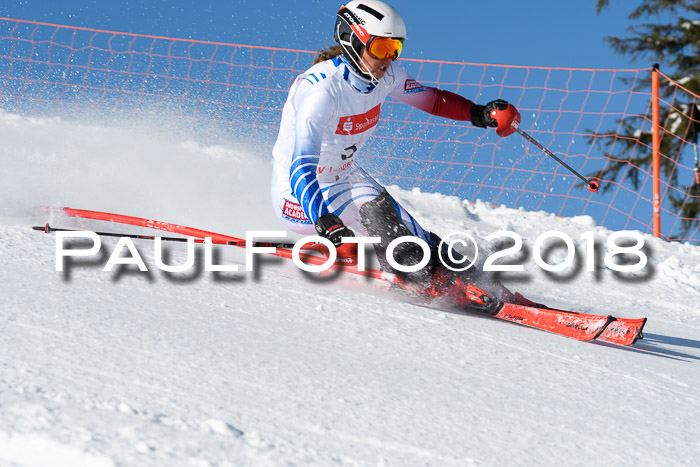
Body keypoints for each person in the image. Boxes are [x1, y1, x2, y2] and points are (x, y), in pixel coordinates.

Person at [271, 0, 523, 311]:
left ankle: (481, 282)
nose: (388, 59)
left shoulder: (383, 77)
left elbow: (431, 99)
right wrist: (325, 220)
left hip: (345, 177)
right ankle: (423, 281)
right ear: (353, 40)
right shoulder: (322, 91)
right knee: (381, 217)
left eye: (395, 49)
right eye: (381, 48)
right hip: (298, 194)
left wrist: (476, 113)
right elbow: (301, 166)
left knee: (418, 235)